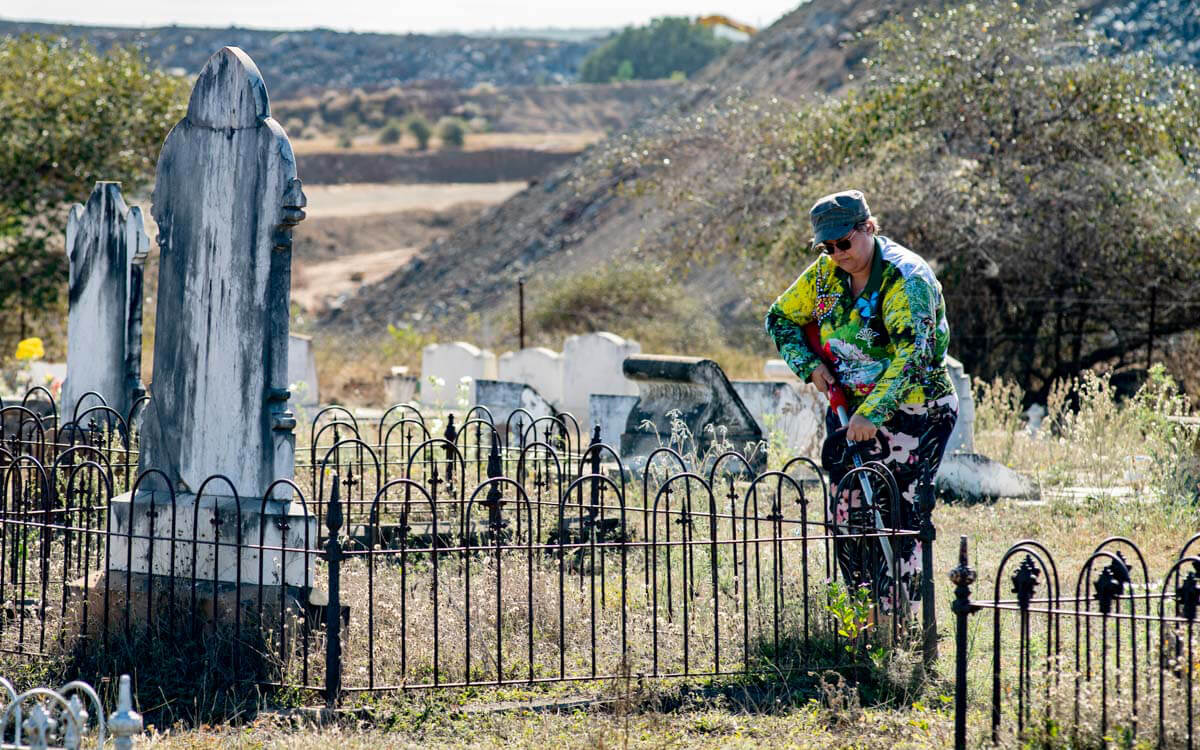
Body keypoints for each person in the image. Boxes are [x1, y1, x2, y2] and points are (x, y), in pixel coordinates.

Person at [764, 189, 958, 617]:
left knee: (900, 516)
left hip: (917, 409)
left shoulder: (908, 279)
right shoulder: (824, 277)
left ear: (868, 228)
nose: (836, 254)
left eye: (844, 243)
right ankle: (864, 618)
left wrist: (873, 412)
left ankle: (902, 626)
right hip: (850, 412)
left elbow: (916, 355)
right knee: (849, 515)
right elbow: (779, 318)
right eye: (827, 247)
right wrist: (809, 366)